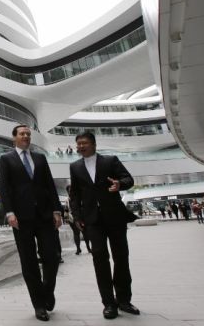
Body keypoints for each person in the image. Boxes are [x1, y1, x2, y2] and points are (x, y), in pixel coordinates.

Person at [69, 132, 140, 319]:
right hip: (92, 221)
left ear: (93, 144)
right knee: (99, 259)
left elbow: (128, 179)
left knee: (121, 258)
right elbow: (74, 195)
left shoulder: (110, 161)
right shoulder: (75, 167)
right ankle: (109, 303)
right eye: (78, 144)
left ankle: (124, 300)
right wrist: (76, 216)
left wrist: (119, 184)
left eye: (84, 143)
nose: (80, 147)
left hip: (115, 217)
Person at [0, 124, 64, 322]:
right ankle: (39, 304)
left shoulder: (40, 158)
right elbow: (5, 188)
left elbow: (49, 185)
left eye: (28, 134)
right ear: (14, 138)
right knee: (29, 262)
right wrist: (9, 212)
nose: (26, 136)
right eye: (22, 134)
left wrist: (56, 210)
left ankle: (47, 291)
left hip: (44, 216)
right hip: (21, 218)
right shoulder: (6, 159)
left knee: (51, 257)